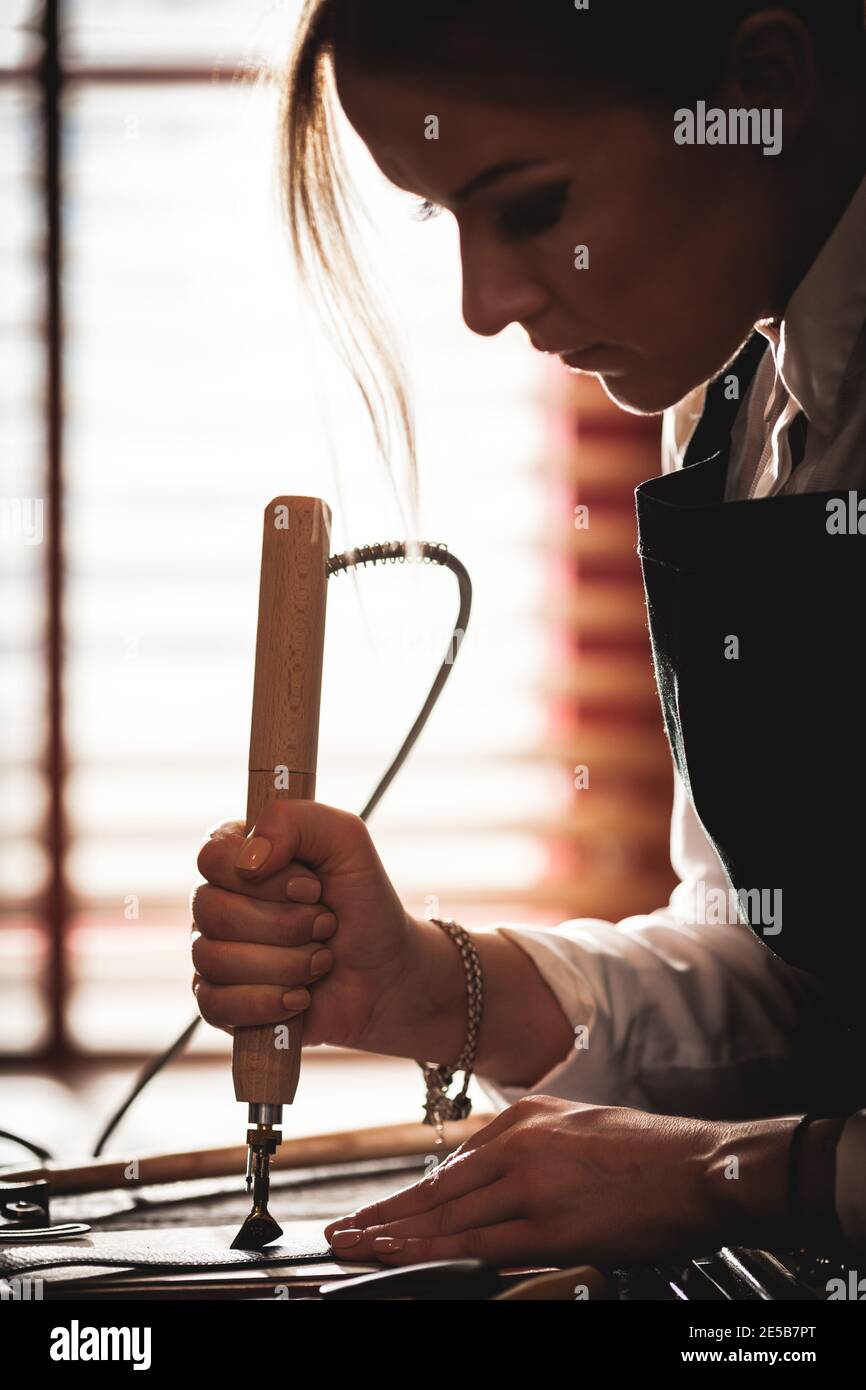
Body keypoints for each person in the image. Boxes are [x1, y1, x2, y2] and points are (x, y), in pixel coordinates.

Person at [190, 1, 866, 1267]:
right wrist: (434, 986)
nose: (482, 303)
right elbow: (796, 985)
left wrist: (737, 1177)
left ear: (762, 85)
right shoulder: (736, 406)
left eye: (531, 206)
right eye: (447, 219)